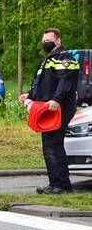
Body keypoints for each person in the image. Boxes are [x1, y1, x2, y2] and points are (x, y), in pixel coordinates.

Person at [27, 28, 80, 195]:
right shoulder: (48, 60)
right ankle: (55, 183)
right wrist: (29, 96)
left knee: (53, 146)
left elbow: (66, 81)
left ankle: (61, 185)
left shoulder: (66, 58)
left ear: (58, 41)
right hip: (47, 108)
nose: (45, 43)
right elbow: (41, 83)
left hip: (59, 108)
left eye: (48, 40)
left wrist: (57, 100)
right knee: (50, 146)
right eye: (43, 41)